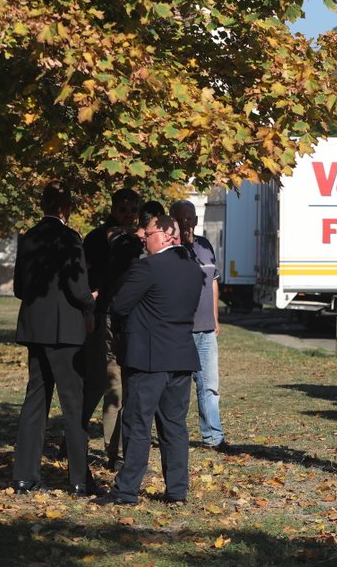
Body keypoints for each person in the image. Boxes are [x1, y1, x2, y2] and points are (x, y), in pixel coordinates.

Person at [94, 215, 203, 505]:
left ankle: (126, 490)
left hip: (148, 359)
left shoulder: (148, 267)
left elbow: (119, 305)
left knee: (137, 424)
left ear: (167, 234)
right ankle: (177, 490)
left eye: (149, 233)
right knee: (174, 426)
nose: (143, 237)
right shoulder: (193, 269)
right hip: (180, 356)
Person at [10, 180, 102, 496]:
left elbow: (19, 288)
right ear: (67, 208)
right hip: (65, 332)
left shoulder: (29, 238)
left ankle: (24, 477)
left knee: (35, 400)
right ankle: (78, 480)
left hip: (35, 328)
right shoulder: (69, 238)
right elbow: (77, 287)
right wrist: (91, 300)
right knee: (73, 406)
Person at [81, 187, 140, 471]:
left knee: (127, 388)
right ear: (113, 208)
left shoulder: (139, 241)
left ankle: (121, 451)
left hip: (131, 320)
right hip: (105, 316)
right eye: (122, 209)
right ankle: (112, 454)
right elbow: (83, 272)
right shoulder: (96, 238)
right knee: (110, 384)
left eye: (132, 210)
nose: (127, 215)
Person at [169, 199, 232, 454]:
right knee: (177, 389)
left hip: (206, 330)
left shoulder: (205, 246)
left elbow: (214, 282)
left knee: (209, 386)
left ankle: (213, 438)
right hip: (180, 330)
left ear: (196, 220)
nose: (186, 223)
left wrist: (216, 317)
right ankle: (174, 436)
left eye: (189, 218)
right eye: (180, 219)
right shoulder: (170, 249)